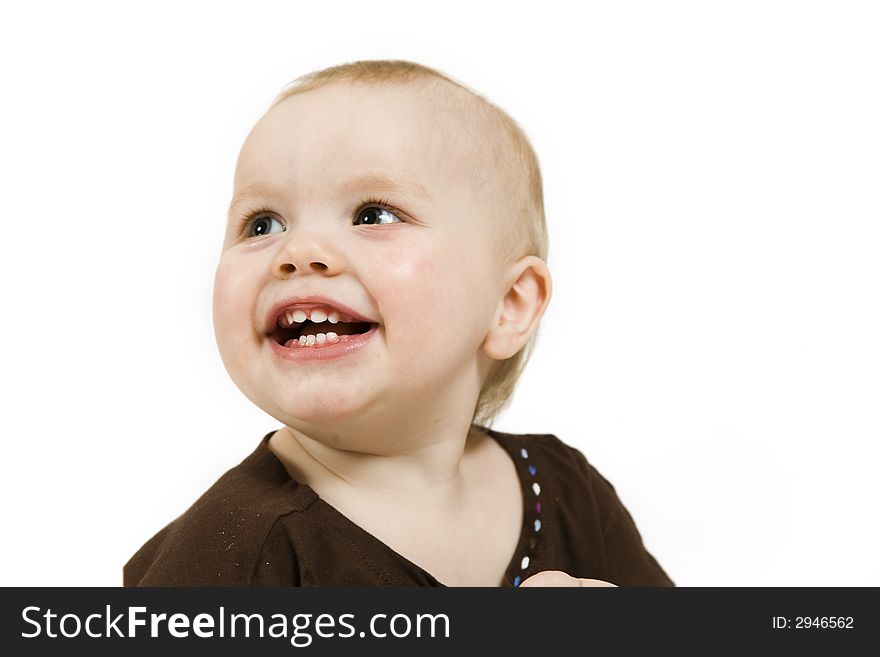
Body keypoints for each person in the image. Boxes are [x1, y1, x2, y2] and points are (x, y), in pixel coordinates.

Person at [124, 59, 673, 588]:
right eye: (261, 223)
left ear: (509, 303)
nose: (298, 251)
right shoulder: (225, 560)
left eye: (374, 215)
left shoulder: (566, 492)